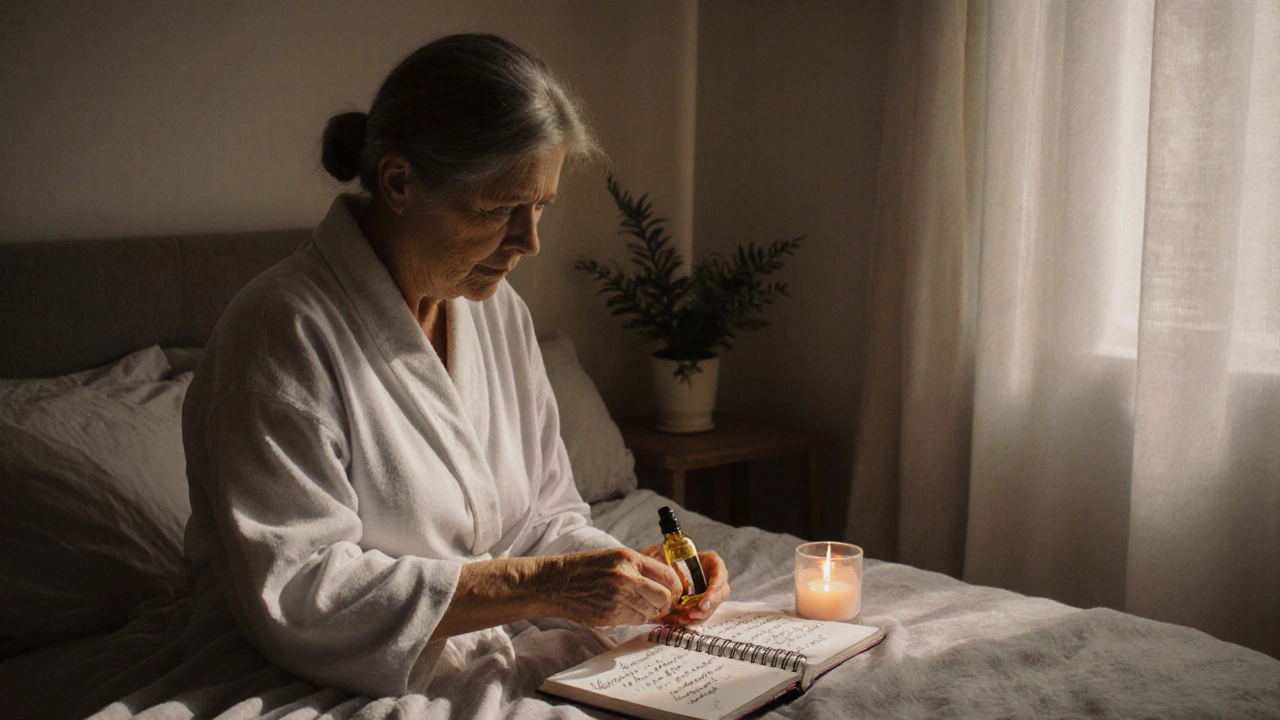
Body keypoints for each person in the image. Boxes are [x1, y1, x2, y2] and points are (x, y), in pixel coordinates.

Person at [181, 33, 729, 699]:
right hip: (321, 667)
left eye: (540, 209)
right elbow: (300, 591)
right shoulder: (278, 331)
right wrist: (545, 586)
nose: (529, 242)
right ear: (399, 181)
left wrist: (622, 575)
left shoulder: (496, 313)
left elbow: (542, 518)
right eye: (500, 209)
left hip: (488, 637)